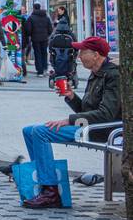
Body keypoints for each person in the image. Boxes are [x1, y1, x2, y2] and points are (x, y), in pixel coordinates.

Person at [20, 36, 123, 209]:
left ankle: (50, 192)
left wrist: (69, 120)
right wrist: (71, 97)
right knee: (28, 130)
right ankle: (44, 183)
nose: (79, 56)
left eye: (83, 52)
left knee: (40, 132)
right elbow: (86, 111)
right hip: (90, 126)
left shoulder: (112, 75)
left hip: (104, 130)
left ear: (96, 55)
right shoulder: (96, 73)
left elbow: (106, 115)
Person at [21, 3, 52, 80]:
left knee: (37, 54)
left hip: (35, 39)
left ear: (34, 8)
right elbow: (50, 29)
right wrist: (46, 35)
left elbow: (28, 30)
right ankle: (45, 68)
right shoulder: (46, 17)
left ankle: (40, 71)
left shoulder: (31, 18)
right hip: (45, 38)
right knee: (44, 53)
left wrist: (30, 35)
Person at [48, 15, 76, 87]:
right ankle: (71, 79)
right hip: (69, 59)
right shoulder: (71, 35)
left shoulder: (55, 35)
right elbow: (76, 46)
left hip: (56, 58)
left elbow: (50, 47)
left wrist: (51, 52)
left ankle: (53, 78)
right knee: (71, 65)